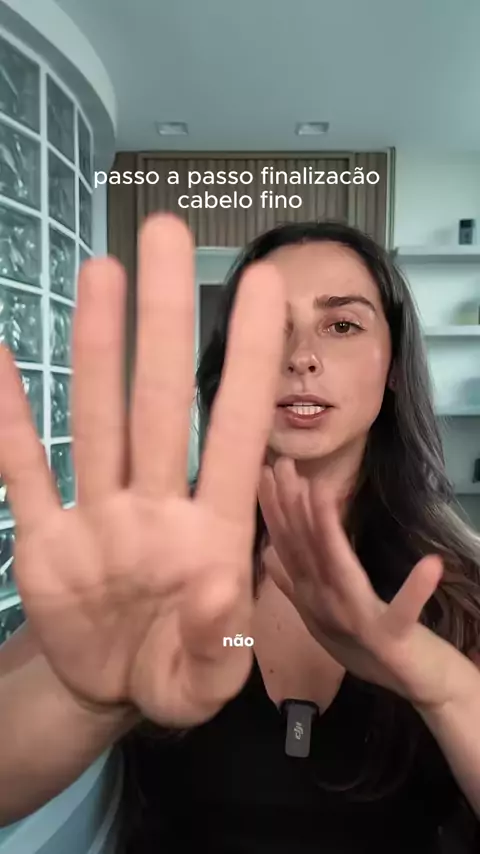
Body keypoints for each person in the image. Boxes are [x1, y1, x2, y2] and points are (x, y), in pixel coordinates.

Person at [0, 214, 479, 853]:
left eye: (341, 325)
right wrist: (88, 701)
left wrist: (440, 683)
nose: (301, 356)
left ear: (393, 363)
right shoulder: (148, 561)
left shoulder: (460, 583)